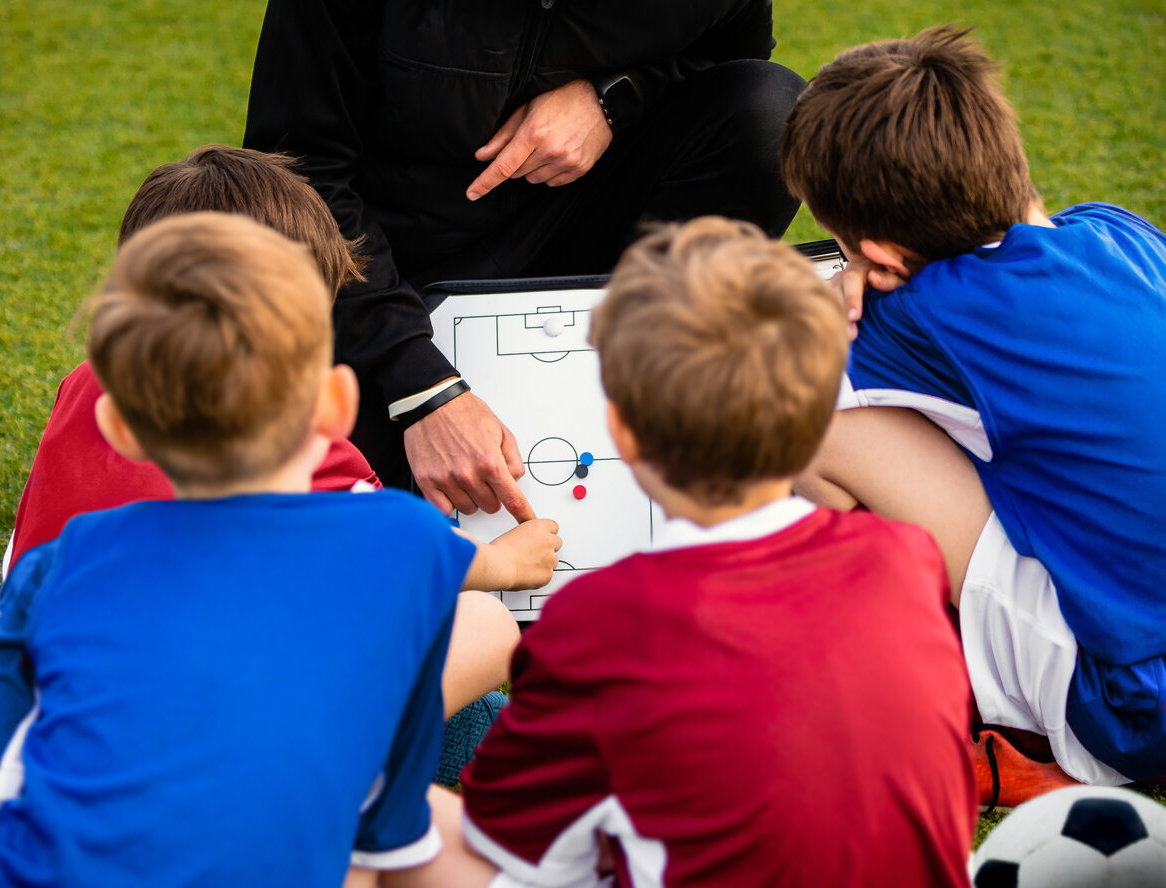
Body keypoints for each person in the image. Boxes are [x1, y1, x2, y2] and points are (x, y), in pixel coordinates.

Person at [0, 212, 561, 887]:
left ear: (119, 425)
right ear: (337, 402)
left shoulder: (64, 563)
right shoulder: (400, 537)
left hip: (50, 862)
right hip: (306, 822)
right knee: (466, 642)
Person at [458, 218, 977, 887]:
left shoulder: (596, 621)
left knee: (403, 841)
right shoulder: (907, 559)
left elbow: (512, 844)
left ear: (621, 430)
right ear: (822, 416)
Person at [4, 145, 519, 726]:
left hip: (54, 681)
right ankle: (399, 747)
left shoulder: (85, 381)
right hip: (223, 731)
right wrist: (507, 562)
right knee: (483, 623)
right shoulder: (299, 434)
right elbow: (416, 550)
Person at [779, 26, 1166, 794]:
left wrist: (834, 295)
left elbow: (765, 353)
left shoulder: (921, 313)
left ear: (883, 262)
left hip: (1130, 711)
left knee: (802, 414)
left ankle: (929, 683)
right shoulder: (1122, 232)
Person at [243, 0, 807, 520]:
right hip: (387, 271)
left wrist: (610, 99)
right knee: (347, 527)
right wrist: (418, 386)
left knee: (768, 112)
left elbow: (728, 62)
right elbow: (296, 173)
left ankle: (649, 392)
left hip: (591, 229)